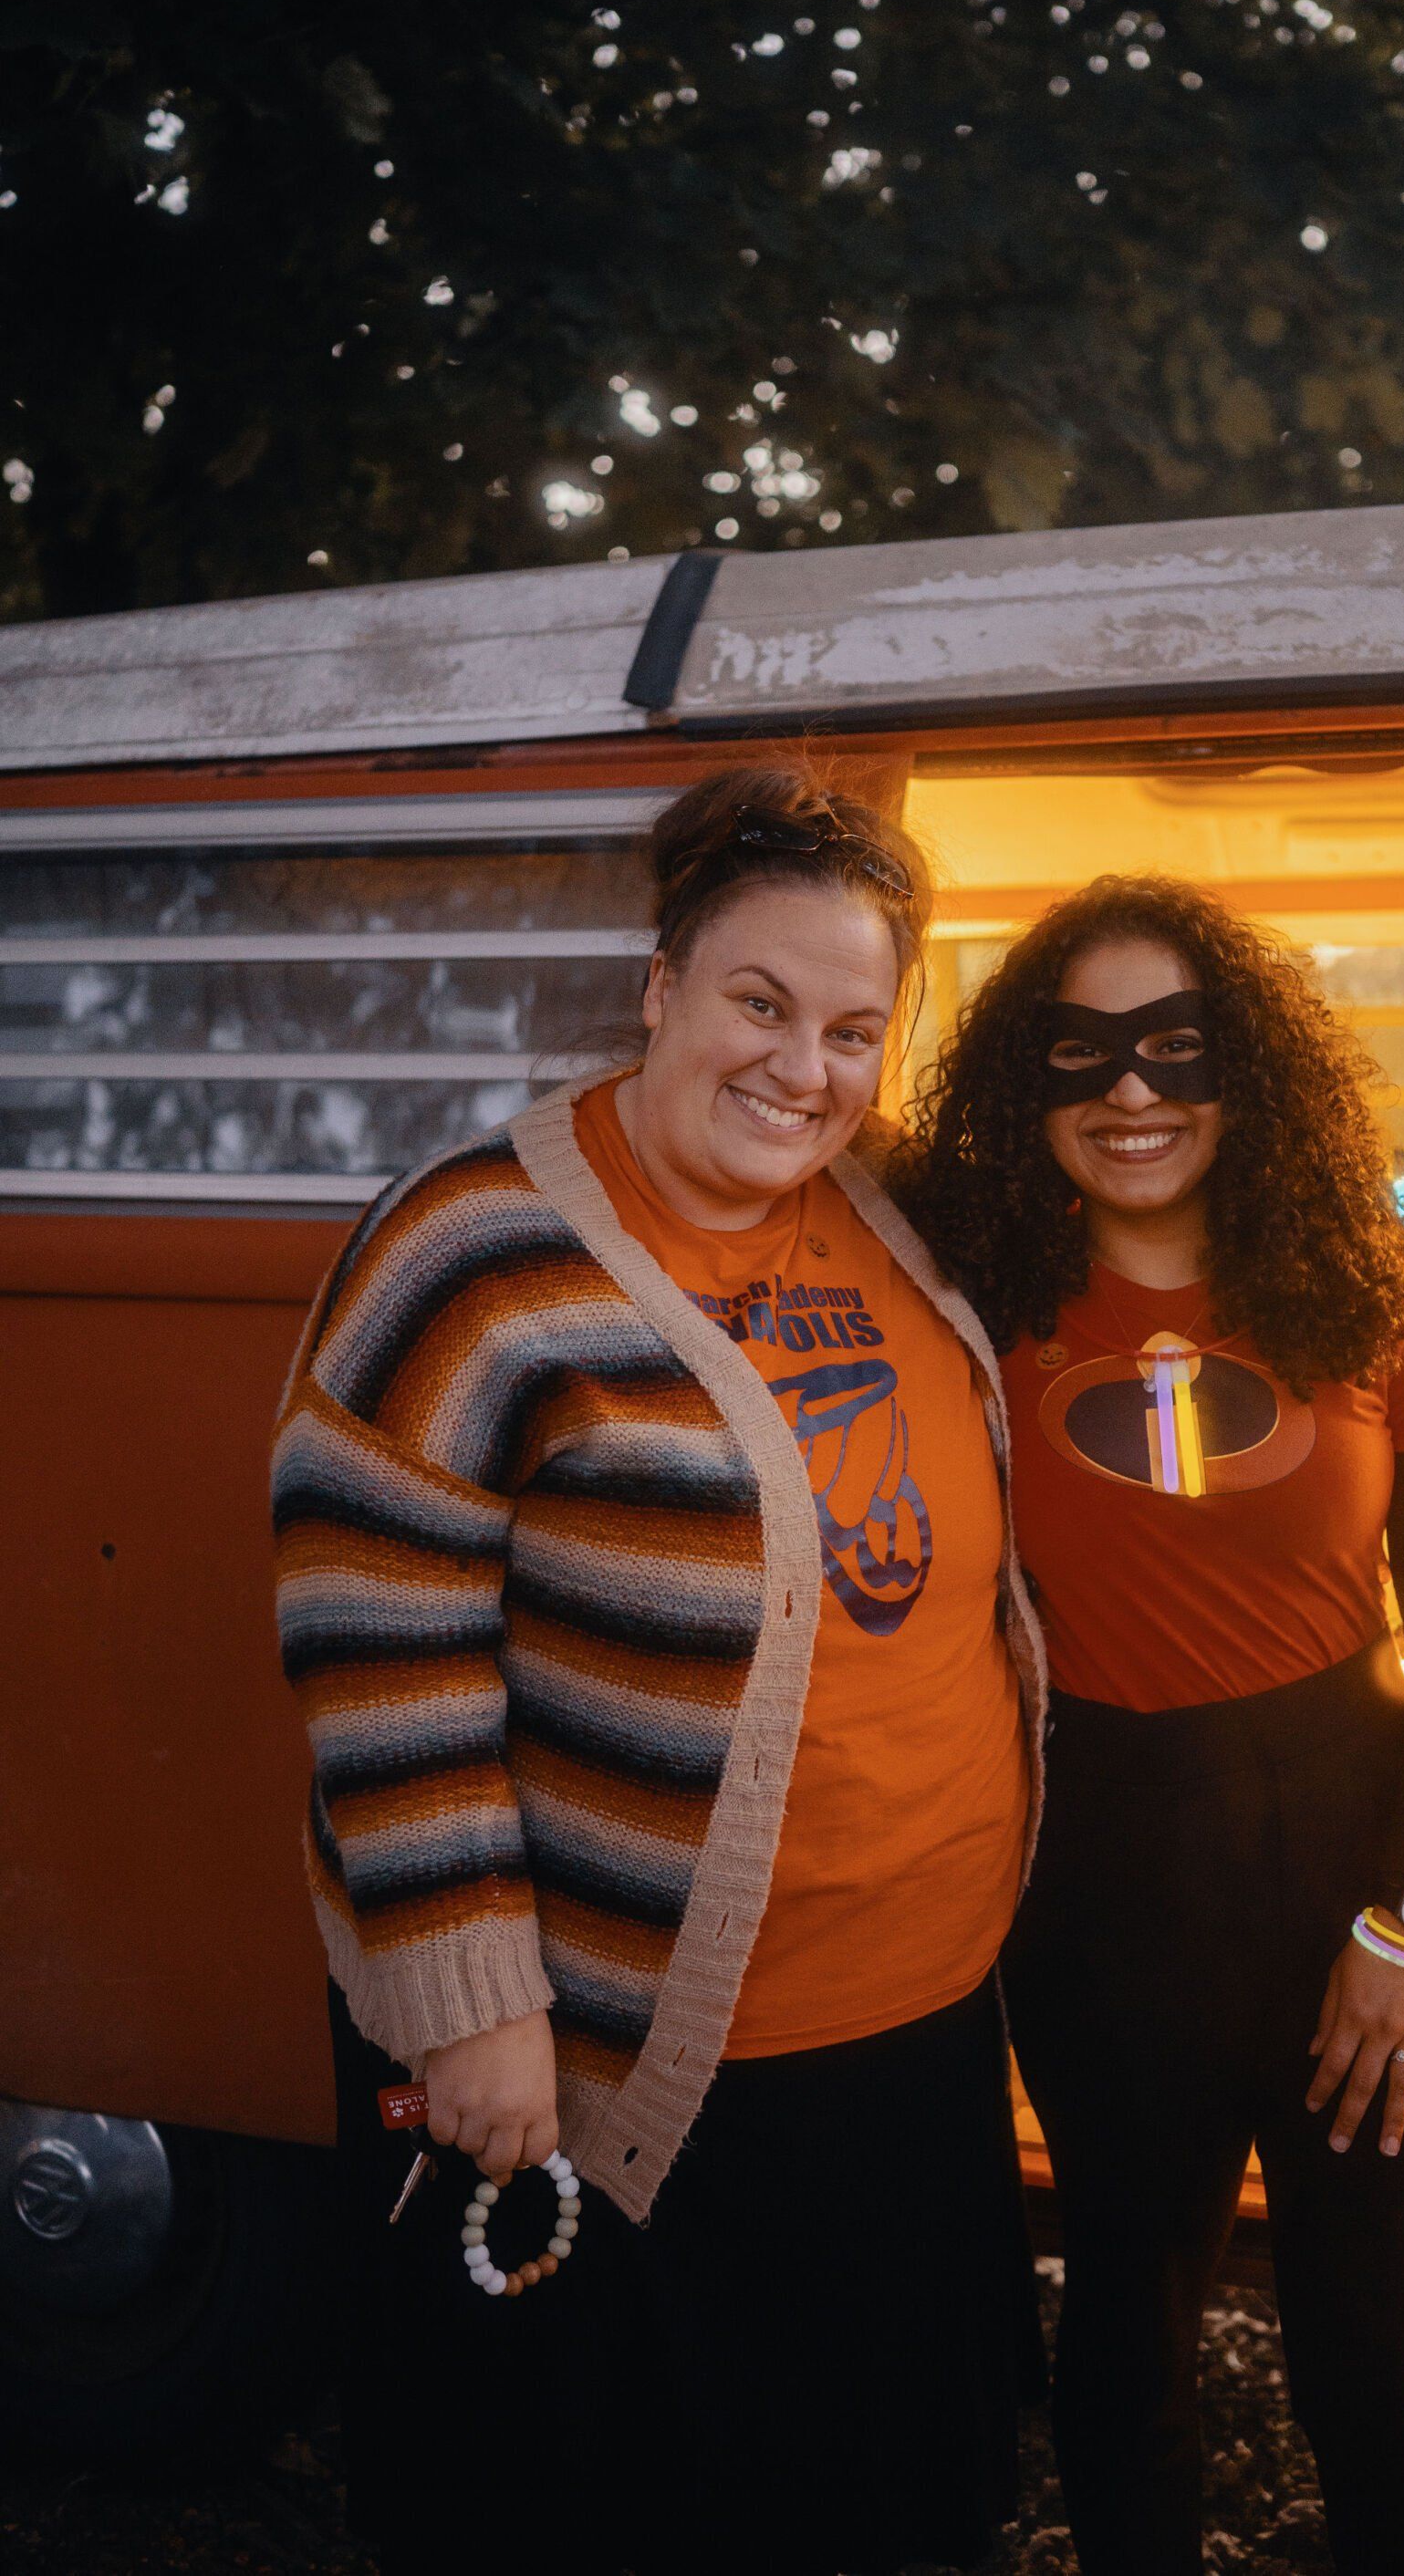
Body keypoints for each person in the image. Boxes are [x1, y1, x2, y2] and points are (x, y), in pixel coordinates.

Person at [270, 767, 1048, 2576]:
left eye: (856, 1029)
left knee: (868, 2498)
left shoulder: (892, 1217)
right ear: (661, 988)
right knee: (606, 2508)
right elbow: (374, 1634)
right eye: (760, 1006)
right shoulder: (476, 1246)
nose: (804, 1068)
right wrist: (471, 2001)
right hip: (636, 2060)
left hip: (913, 2038)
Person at [895, 873, 1404, 2576]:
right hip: (1101, 1896)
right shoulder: (970, 1311)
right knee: (1127, 2359)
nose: (1134, 1095)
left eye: (1176, 1047)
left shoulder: (1374, 1301)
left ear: (1250, 1072)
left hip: (1360, 1885)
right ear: (1028, 1092)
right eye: (1080, 1058)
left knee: (1391, 2391)